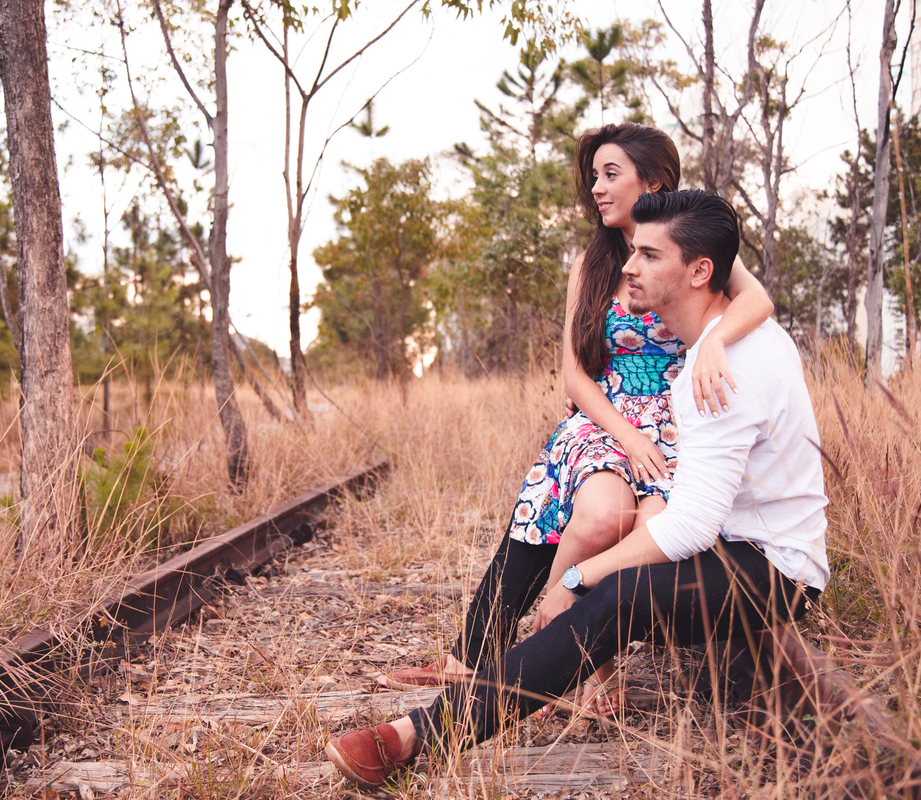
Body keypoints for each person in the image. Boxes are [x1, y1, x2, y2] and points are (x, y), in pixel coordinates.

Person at [327, 189, 829, 789]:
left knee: (614, 593)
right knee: (613, 582)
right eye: (632, 252)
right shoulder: (717, 348)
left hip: (775, 572)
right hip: (741, 545)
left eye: (648, 255)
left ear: (699, 272)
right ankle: (456, 713)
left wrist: (575, 578)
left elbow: (692, 524)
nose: (628, 266)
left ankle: (416, 738)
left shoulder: (718, 372)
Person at [382, 123, 774, 712]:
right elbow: (573, 375)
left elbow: (758, 302)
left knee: (651, 528)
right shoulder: (590, 265)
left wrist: (715, 344)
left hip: (679, 422)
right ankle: (497, 650)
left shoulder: (689, 243)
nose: (596, 187)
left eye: (610, 174)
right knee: (597, 518)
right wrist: (628, 436)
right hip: (606, 417)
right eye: (594, 176)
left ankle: (593, 665)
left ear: (656, 182)